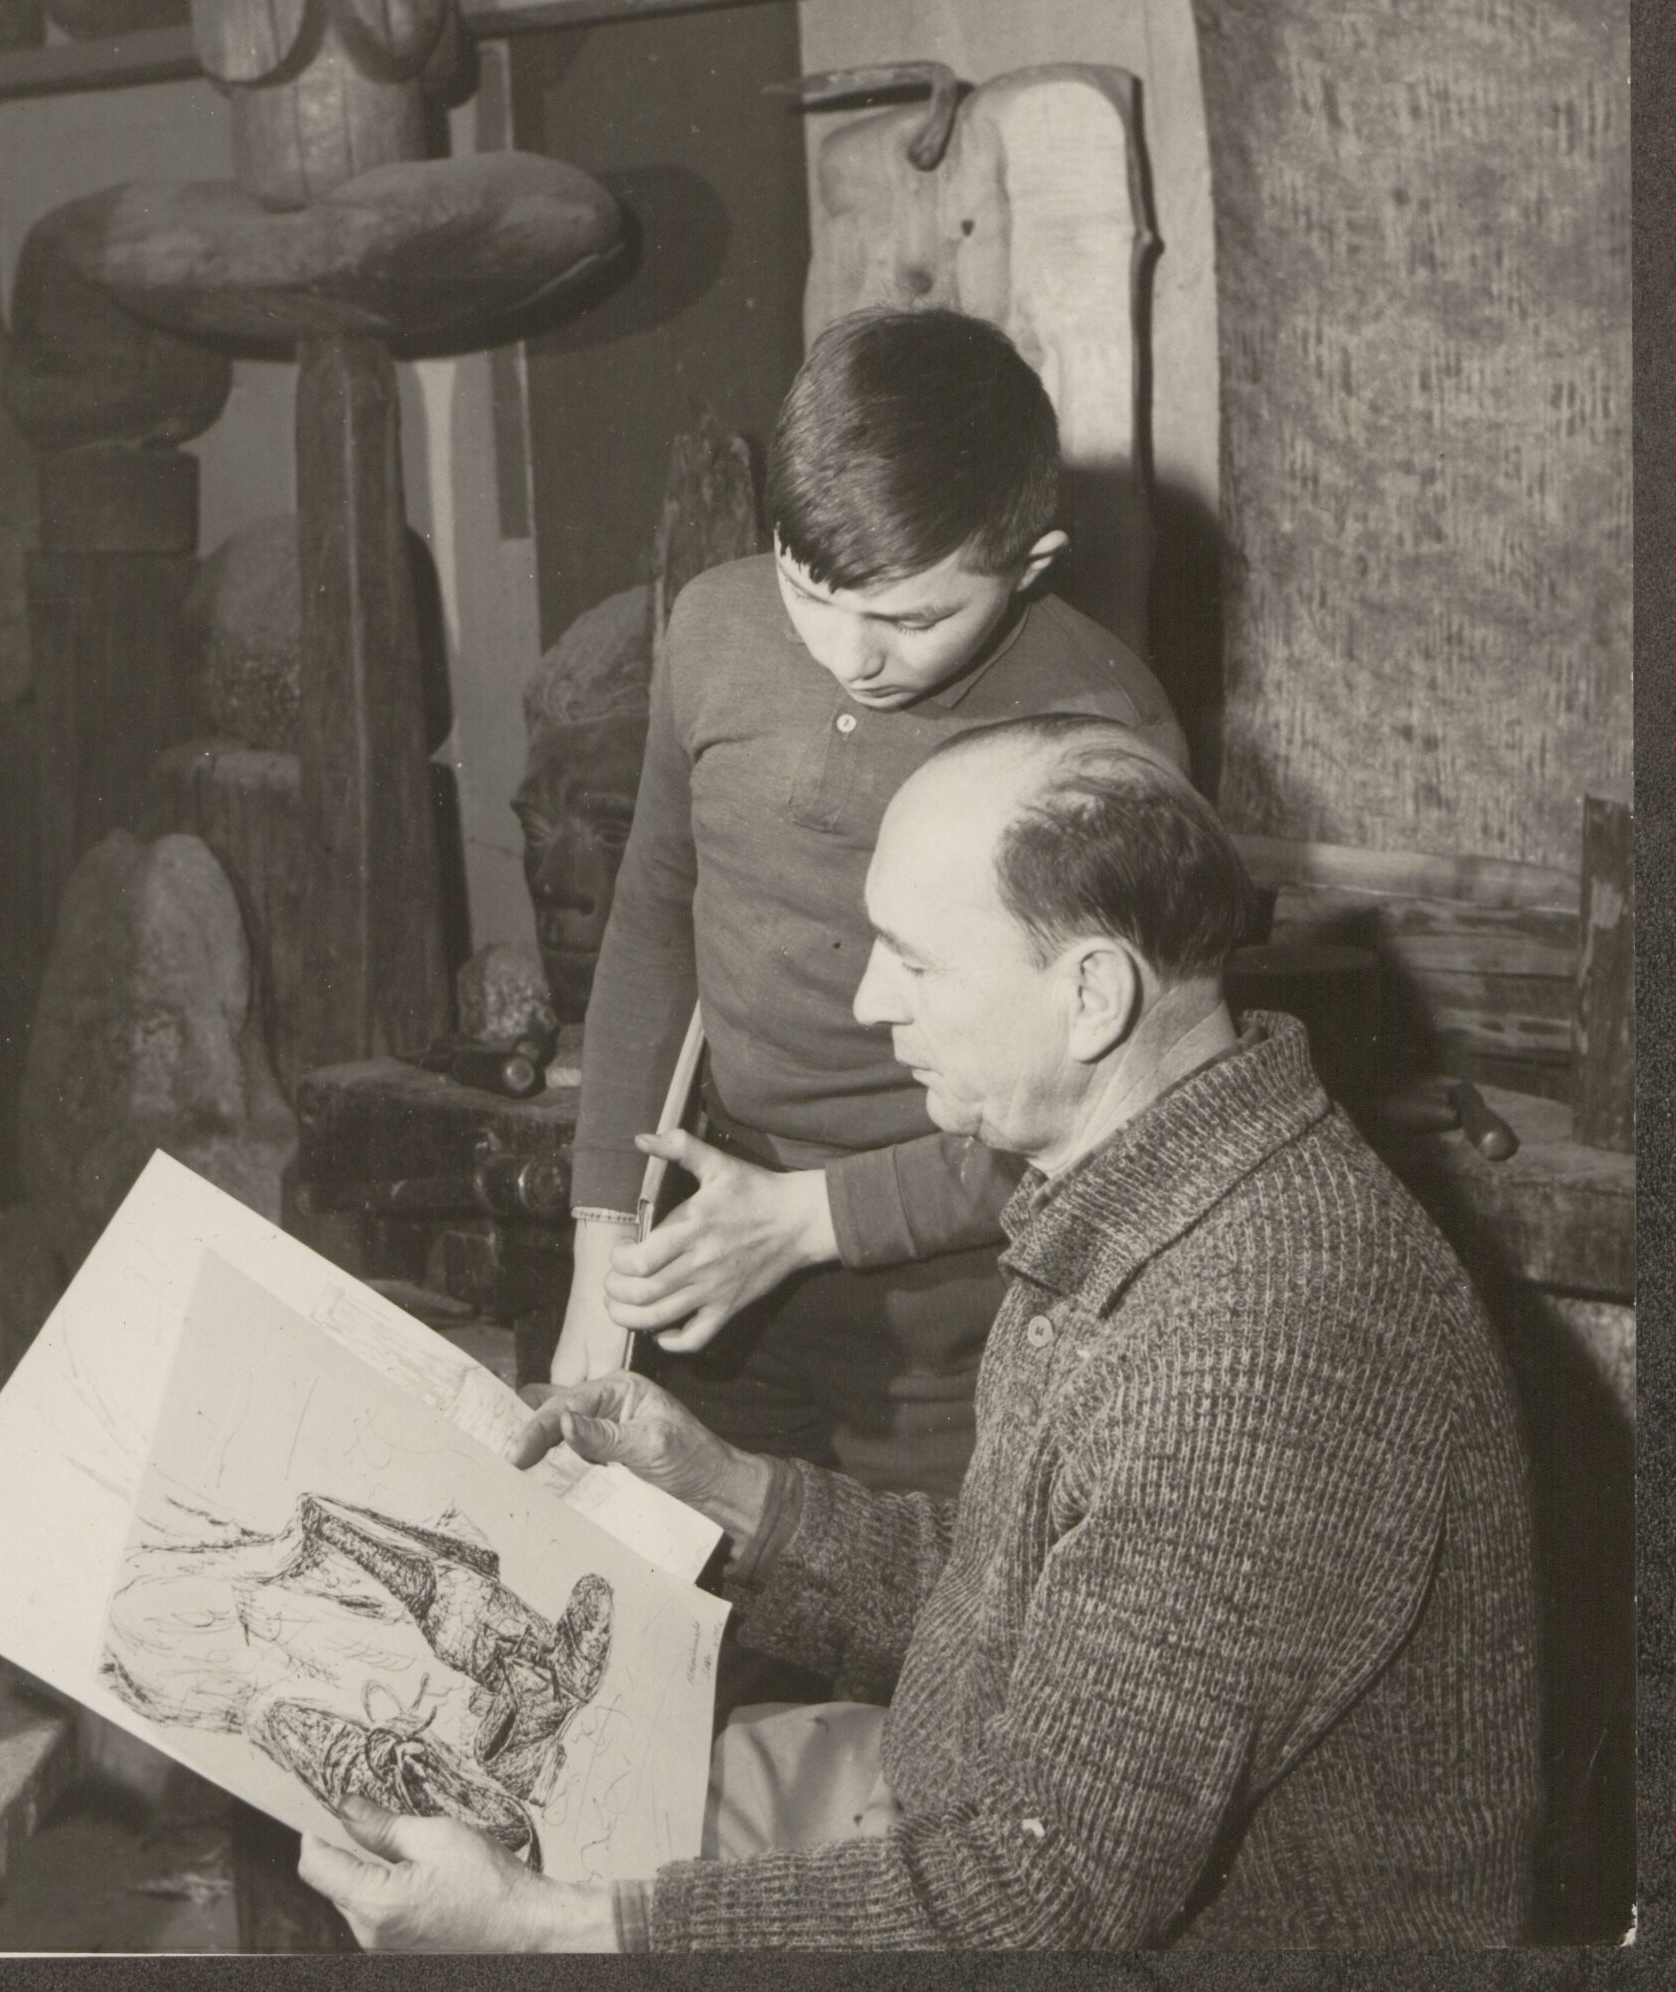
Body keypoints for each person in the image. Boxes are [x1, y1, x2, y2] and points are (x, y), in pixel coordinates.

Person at [297, 719, 1540, 1951]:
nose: (867, 999)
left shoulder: (1252, 1342)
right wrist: (719, 1488)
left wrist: (545, 1930)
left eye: (915, 961)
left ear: (1091, 994)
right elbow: (1017, 1604)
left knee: (519, 1889)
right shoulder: (1147, 1180)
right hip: (981, 1824)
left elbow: (1044, 1898)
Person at [554, 308, 1186, 1501]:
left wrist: (813, 1218)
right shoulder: (713, 625)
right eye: (809, 589)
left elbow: (1119, 1105)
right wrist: (602, 1238)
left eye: (912, 618)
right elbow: (654, 918)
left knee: (922, 1596)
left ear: (1029, 565)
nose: (850, 655)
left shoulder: (1104, 728)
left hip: (962, 1276)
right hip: (706, 1226)